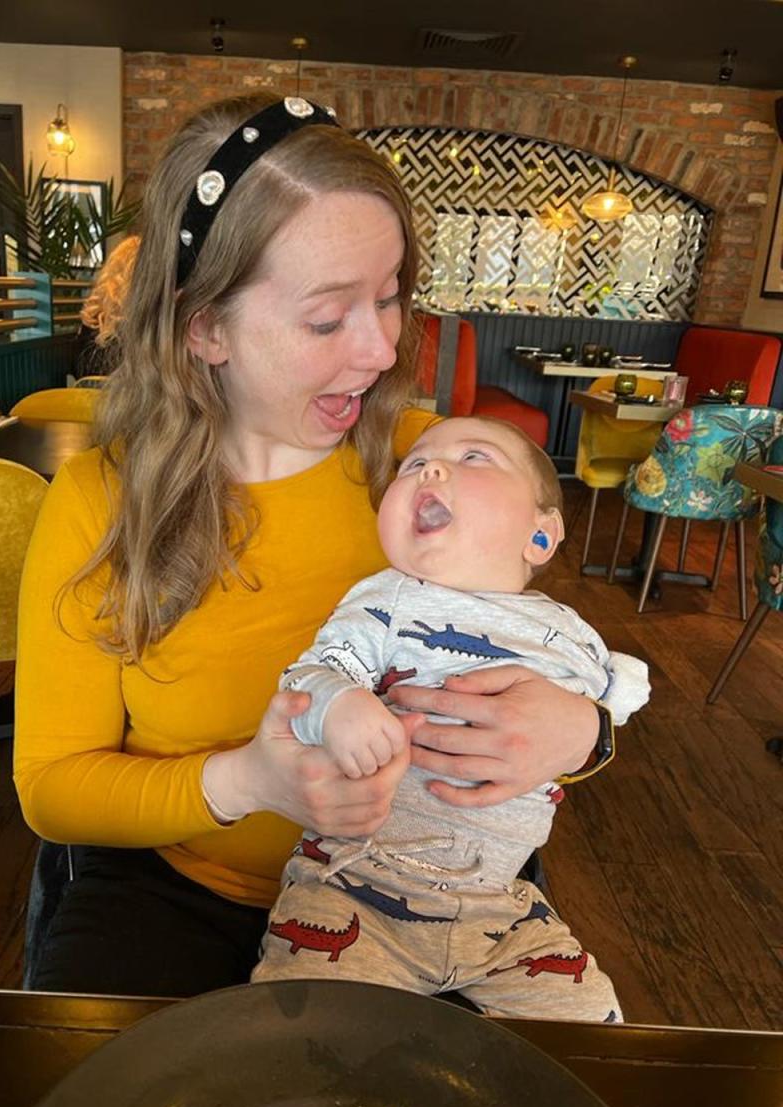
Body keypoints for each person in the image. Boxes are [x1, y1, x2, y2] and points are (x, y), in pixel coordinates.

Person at [13, 93, 610, 999]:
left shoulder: (433, 465)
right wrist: (248, 779)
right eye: (329, 319)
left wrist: (584, 731)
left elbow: (555, 653)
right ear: (201, 326)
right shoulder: (102, 502)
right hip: (182, 894)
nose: (378, 351)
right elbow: (52, 786)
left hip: (434, 905)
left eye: (390, 298)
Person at [251, 415, 650, 1020]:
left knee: (596, 1029)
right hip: (354, 886)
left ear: (541, 536)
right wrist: (338, 706)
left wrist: (592, 726)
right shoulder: (385, 602)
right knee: (308, 1031)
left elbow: (609, 714)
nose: (431, 467)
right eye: (414, 464)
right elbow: (305, 680)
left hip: (502, 906)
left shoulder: (575, 636)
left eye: (475, 457)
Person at [71, 234, 141, 379]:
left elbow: (77, 371)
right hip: (127, 399)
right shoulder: (145, 320)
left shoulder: (92, 318)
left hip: (86, 399)